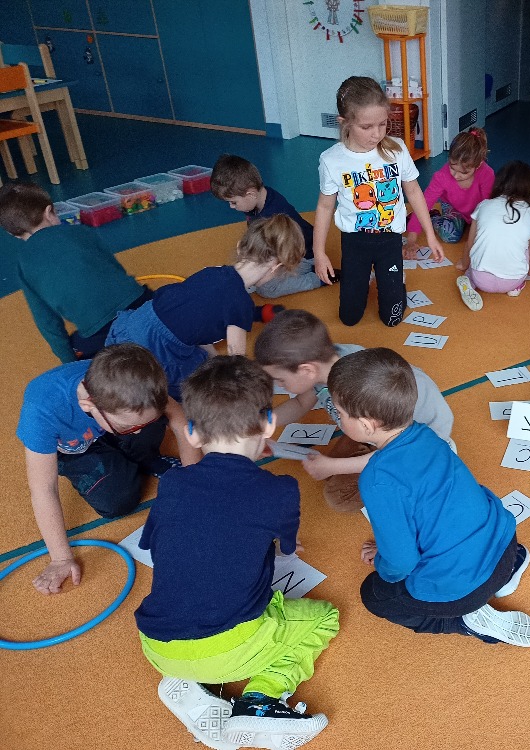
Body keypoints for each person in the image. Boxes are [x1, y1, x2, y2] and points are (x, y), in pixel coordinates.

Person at [136, 356, 337, 750]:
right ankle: (260, 700)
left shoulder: (172, 482)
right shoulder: (280, 490)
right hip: (232, 645)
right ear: (269, 425)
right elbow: (287, 549)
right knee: (324, 618)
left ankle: (194, 682)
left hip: (156, 646)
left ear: (192, 433)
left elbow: (155, 545)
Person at [327, 347, 530, 646]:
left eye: (339, 413)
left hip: (462, 591)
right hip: (505, 545)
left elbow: (401, 562)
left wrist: (383, 562)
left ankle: (462, 621)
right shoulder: (428, 434)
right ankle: (512, 567)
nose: (336, 418)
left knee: (375, 595)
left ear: (366, 425)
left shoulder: (377, 479)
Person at [254, 309, 453, 512]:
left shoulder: (358, 390)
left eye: (280, 380)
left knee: (339, 497)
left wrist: (333, 466)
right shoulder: (327, 363)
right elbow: (300, 404)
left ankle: (423, 476)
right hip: (376, 426)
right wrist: (261, 423)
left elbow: (395, 453)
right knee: (327, 468)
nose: (279, 386)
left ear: (307, 370)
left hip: (414, 445)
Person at [17, 343, 174, 594]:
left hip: (106, 427)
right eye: (129, 427)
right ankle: (123, 459)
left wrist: (193, 476)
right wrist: (60, 558)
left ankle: (136, 456)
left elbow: (178, 418)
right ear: (89, 406)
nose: (138, 432)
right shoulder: (41, 411)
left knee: (151, 426)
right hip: (75, 449)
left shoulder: (132, 383)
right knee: (118, 501)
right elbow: (43, 489)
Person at [105, 215, 304, 402]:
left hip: (136, 323)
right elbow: (236, 360)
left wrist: (214, 357)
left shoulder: (212, 271)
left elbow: (199, 320)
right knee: (197, 386)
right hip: (156, 351)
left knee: (203, 360)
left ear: (240, 247)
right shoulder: (241, 304)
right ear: (275, 268)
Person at [312, 76, 443, 327]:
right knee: (349, 318)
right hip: (355, 242)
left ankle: (396, 282)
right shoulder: (331, 160)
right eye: (366, 127)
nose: (377, 134)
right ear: (344, 122)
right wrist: (319, 253)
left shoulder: (397, 149)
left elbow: (414, 191)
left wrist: (430, 234)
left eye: (383, 124)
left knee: (392, 319)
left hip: (389, 240)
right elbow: (325, 206)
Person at [0, 180, 153, 362]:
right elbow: (115, 269)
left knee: (83, 351)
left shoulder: (23, 264)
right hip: (141, 302)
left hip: (99, 334)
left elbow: (47, 322)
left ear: (12, 234)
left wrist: (69, 361)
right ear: (49, 212)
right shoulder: (80, 231)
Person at [210, 153, 329, 294]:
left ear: (251, 194)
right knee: (247, 273)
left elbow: (283, 254)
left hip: (302, 255)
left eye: (233, 202)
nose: (231, 206)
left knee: (267, 288)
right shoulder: (257, 199)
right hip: (278, 249)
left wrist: (261, 274)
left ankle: (318, 278)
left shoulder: (273, 215)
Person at [454, 161, 530, 311]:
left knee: (478, 255)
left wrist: (464, 264)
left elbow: (470, 243)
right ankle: (516, 287)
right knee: (525, 248)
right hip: (512, 280)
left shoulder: (484, 205)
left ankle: (470, 280)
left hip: (481, 278)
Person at [403, 127, 493, 248]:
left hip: (478, 212)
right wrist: (411, 238)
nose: (456, 175)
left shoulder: (487, 174)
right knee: (449, 234)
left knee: (488, 237)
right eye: (452, 168)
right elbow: (424, 202)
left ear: (478, 165)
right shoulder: (442, 176)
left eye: (464, 173)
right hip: (453, 207)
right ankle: (433, 216)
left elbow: (488, 206)